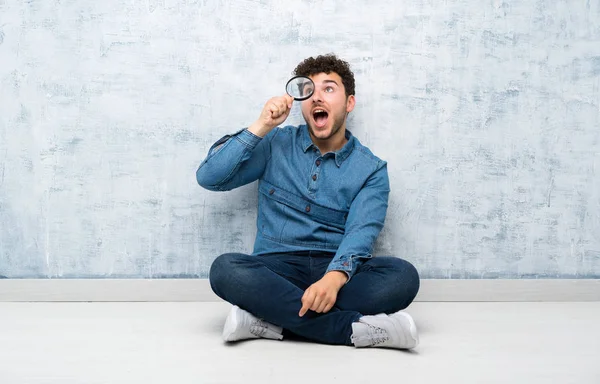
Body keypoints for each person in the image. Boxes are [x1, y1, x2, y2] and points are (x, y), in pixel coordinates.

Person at [196, 54, 420, 349]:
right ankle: (351, 330)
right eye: (309, 90)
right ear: (301, 102)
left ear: (349, 103)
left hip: (337, 274)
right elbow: (210, 177)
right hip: (276, 269)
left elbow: (361, 233)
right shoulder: (275, 143)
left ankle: (270, 320)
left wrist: (335, 277)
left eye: (328, 89)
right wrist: (262, 125)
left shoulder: (371, 169)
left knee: (403, 277)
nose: (317, 98)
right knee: (225, 269)